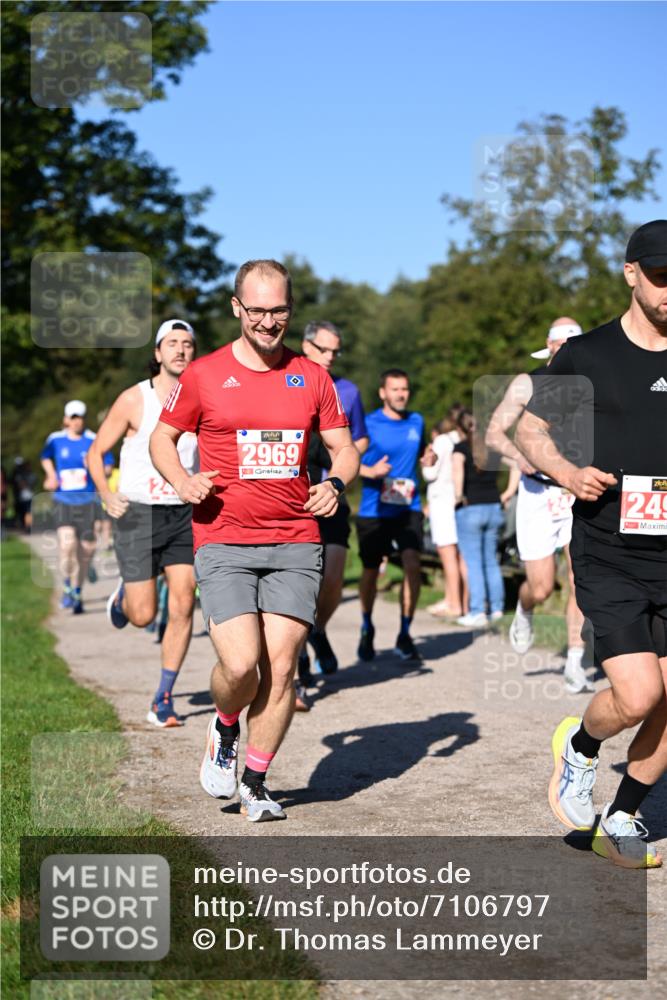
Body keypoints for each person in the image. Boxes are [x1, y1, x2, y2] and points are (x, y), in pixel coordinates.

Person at [149, 259, 359, 822]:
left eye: (279, 311)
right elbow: (162, 439)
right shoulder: (205, 374)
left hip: (294, 537)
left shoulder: (312, 376)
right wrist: (182, 479)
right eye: (258, 310)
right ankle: (223, 729)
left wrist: (335, 482)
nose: (269, 322)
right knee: (242, 666)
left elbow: (345, 448)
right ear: (237, 308)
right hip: (223, 537)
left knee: (283, 667)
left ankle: (258, 781)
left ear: (291, 309)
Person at [517, 220, 667, 868]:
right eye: (659, 277)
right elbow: (528, 429)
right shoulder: (587, 354)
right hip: (610, 551)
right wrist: (565, 471)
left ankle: (622, 816)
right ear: (630, 272)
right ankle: (579, 748)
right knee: (638, 696)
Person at [87, 320, 199, 728]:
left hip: (183, 512)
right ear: (157, 353)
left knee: (185, 601)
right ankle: (123, 599)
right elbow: (96, 452)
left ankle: (163, 696)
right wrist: (105, 493)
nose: (181, 351)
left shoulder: (202, 400)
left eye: (188, 344)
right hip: (138, 514)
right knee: (143, 614)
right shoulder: (134, 399)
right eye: (172, 344)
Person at [485, 317, 589, 693]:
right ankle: (525, 608)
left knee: (581, 577)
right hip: (537, 493)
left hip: (575, 490)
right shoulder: (528, 382)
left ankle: (576, 661)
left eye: (574, 346)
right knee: (542, 586)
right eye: (562, 346)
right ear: (549, 346)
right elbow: (495, 430)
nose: (568, 354)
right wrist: (520, 456)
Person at [299, 320, 369, 686]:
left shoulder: (349, 391)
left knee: (333, 577)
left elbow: (359, 440)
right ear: (305, 345)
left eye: (334, 351)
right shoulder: (288, 379)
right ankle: (296, 662)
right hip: (295, 496)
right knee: (297, 582)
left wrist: (339, 467)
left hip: (332, 493)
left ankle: (317, 630)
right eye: (322, 349)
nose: (329, 357)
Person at [355, 369, 436, 663]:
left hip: (408, 508)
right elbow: (348, 461)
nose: (401, 394)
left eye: (405, 389)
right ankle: (366, 625)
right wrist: (370, 471)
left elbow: (424, 451)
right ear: (383, 393)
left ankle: (405, 632)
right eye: (395, 389)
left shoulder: (417, 421)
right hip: (374, 509)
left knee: (413, 564)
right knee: (371, 570)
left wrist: (430, 457)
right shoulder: (368, 423)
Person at [40, 401, 112, 614]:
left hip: (88, 502)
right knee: (67, 545)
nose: (76, 421)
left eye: (80, 417)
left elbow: (108, 464)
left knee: (86, 551)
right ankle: (67, 587)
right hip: (63, 501)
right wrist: (51, 475)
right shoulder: (55, 440)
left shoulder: (93, 439)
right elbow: (45, 458)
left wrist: (99, 469)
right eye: (72, 417)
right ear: (65, 420)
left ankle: (78, 590)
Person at [452, 410, 518, 628]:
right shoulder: (493, 448)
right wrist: (507, 493)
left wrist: (458, 498)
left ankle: (478, 610)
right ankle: (497, 609)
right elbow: (518, 464)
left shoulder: (460, 449)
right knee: (491, 561)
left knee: (473, 563)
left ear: (460, 428)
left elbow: (457, 479)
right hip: (494, 508)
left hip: (470, 508)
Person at [422, 409, 468, 619]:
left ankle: (454, 604)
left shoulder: (441, 441)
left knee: (448, 555)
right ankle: (464, 602)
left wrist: (425, 462)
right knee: (461, 556)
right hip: (459, 502)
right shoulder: (464, 439)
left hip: (442, 502)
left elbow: (431, 473)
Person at [11, 457, 36, 533]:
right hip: (22, 496)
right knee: (24, 512)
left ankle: (28, 526)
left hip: (28, 496)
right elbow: (19, 485)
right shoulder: (19, 475)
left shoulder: (30, 475)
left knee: (28, 511)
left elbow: (31, 483)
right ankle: (26, 526)